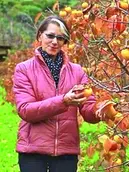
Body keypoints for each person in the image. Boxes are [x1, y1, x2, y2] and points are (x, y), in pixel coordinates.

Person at [13, 15, 101, 172]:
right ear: (40, 35)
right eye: (50, 35)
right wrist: (64, 101)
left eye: (60, 38)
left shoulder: (77, 71)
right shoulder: (24, 69)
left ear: (65, 42)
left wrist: (101, 110)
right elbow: (26, 110)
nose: (55, 41)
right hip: (33, 150)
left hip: (65, 151)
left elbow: (88, 109)